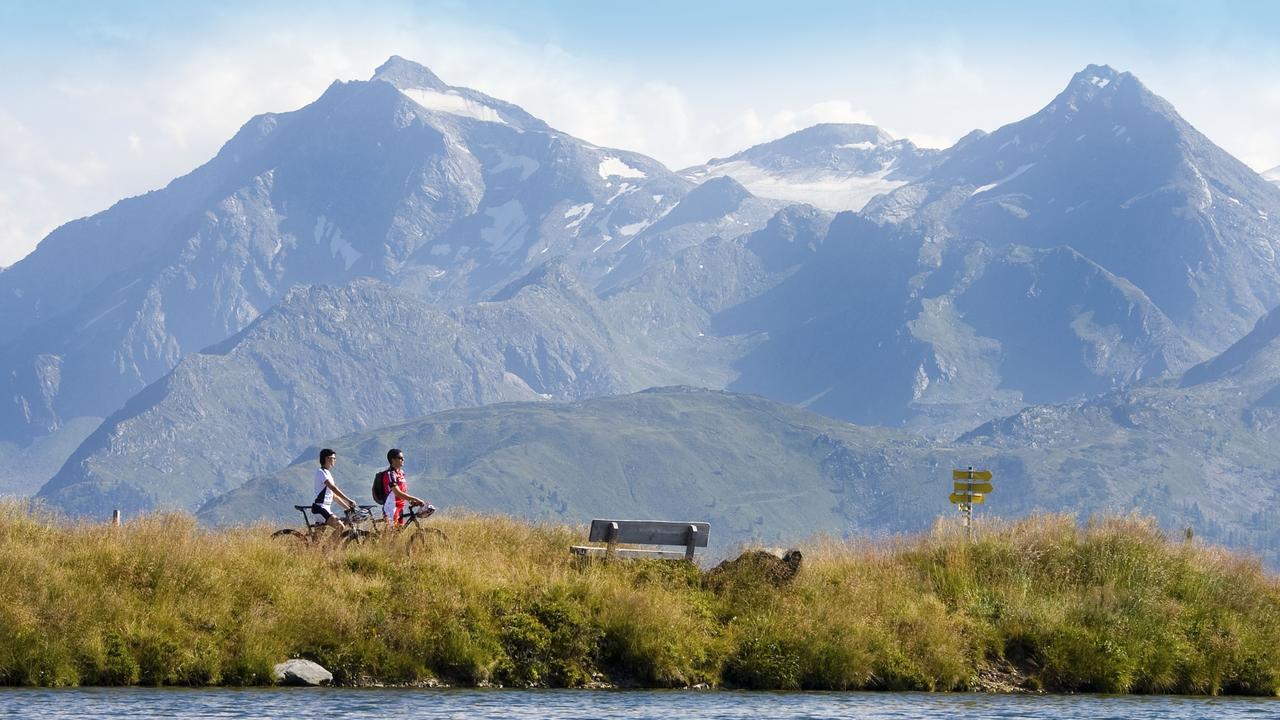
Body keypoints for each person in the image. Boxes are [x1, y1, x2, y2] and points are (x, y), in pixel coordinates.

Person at [377, 448, 433, 526]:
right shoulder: (390, 474)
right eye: (400, 458)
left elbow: (403, 491)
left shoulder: (401, 473)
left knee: (398, 532)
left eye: (403, 458)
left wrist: (410, 501)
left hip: (400, 506)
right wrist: (416, 499)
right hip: (391, 507)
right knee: (391, 535)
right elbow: (398, 493)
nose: (403, 459)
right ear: (393, 460)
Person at [311, 448, 356, 539]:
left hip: (323, 508)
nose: (335, 460)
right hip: (321, 508)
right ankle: (327, 549)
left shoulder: (327, 473)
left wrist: (347, 507)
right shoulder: (321, 472)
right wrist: (348, 500)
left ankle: (312, 551)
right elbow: (333, 488)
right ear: (327, 458)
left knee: (316, 541)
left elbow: (333, 496)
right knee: (340, 526)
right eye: (333, 458)